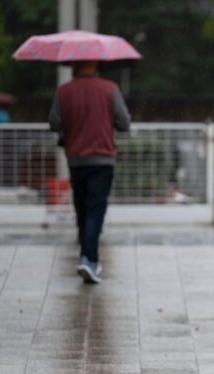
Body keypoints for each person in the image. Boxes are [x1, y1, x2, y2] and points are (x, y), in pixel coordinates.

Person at [49, 60, 131, 284]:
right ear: (95, 64)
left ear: (74, 66)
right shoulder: (110, 89)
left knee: (82, 206)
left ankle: (86, 251)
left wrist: (73, 122)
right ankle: (89, 258)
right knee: (96, 208)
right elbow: (124, 122)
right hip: (102, 159)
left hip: (76, 159)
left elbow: (54, 122)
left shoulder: (64, 91)